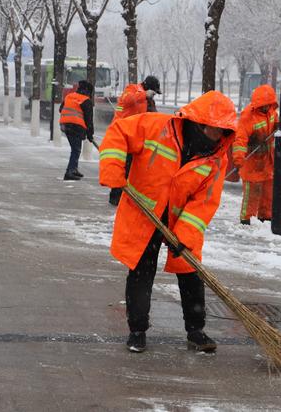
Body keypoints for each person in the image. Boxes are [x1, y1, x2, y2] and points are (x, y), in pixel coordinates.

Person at [99, 91, 237, 353]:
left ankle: (196, 331)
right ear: (199, 122)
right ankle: (137, 331)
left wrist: (184, 235)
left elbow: (204, 202)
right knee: (142, 271)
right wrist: (113, 171)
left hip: (180, 218)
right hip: (144, 213)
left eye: (223, 131)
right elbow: (118, 133)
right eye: (215, 130)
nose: (219, 137)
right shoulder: (155, 126)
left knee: (189, 269)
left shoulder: (217, 158)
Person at [108, 76, 162, 206]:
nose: (153, 95)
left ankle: (126, 196)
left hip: (136, 138)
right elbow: (127, 100)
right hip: (122, 134)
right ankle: (115, 196)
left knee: (134, 168)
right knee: (124, 167)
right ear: (148, 88)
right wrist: (144, 94)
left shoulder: (148, 101)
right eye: (153, 92)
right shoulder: (132, 89)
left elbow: (153, 116)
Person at [232, 84, 279, 225]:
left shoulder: (272, 112)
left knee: (267, 194)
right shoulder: (248, 117)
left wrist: (278, 126)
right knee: (251, 195)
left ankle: (265, 217)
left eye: (268, 105)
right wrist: (239, 158)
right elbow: (240, 140)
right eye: (263, 105)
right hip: (252, 163)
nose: (266, 108)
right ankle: (246, 220)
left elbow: (275, 123)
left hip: (267, 162)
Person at [59, 80, 95, 181]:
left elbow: (60, 109)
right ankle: (70, 172)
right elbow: (89, 120)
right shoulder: (86, 101)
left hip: (65, 124)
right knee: (76, 150)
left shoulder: (69, 96)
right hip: (76, 126)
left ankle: (73, 169)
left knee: (75, 149)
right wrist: (90, 134)